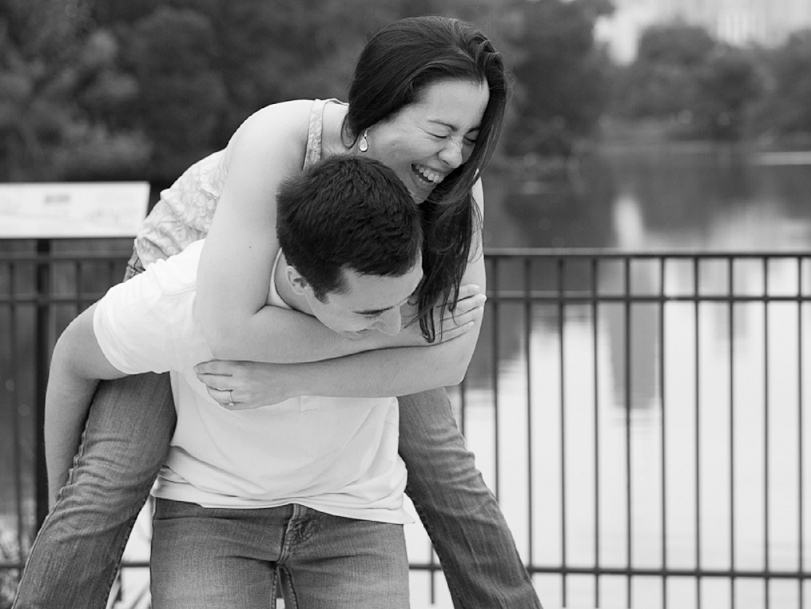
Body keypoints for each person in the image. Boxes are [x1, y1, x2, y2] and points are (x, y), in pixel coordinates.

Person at [14, 15, 542, 609]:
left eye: (472, 137)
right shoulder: (282, 137)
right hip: (203, 287)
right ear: (376, 108)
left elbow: (448, 360)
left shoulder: (453, 184)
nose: (455, 155)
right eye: (442, 129)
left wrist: (299, 373)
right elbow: (230, 326)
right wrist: (394, 332)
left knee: (450, 479)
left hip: (361, 295)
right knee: (112, 479)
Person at [43, 156, 467, 608]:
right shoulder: (186, 298)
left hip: (355, 513)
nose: (393, 327)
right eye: (369, 314)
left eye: (403, 300)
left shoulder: (415, 292)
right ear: (302, 283)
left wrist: (285, 378)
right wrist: (60, 505)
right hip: (212, 514)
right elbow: (72, 357)